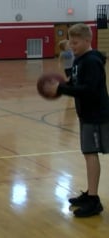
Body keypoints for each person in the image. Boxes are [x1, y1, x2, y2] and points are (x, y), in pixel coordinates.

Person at [45, 23, 109, 217]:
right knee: (88, 153)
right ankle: (91, 194)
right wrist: (61, 86)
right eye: (70, 42)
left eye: (75, 42)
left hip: (96, 115)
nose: (71, 46)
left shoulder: (91, 61)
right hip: (86, 115)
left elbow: (89, 90)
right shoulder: (79, 60)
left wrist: (61, 89)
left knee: (91, 154)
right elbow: (75, 84)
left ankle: (94, 200)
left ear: (88, 40)